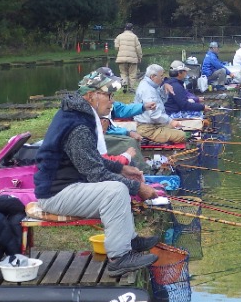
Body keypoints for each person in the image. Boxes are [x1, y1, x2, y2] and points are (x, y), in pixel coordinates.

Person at [32, 70, 160, 274]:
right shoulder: (79, 126)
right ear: (91, 96)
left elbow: (90, 159)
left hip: (68, 186)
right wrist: (139, 188)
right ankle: (119, 258)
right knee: (115, 191)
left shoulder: (78, 115)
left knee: (117, 185)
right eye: (108, 95)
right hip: (55, 194)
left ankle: (129, 240)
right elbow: (96, 174)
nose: (112, 101)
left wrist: (121, 168)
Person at [134, 64, 188, 144]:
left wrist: (163, 89)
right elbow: (155, 115)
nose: (163, 79)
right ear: (153, 76)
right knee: (183, 135)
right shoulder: (148, 91)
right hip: (148, 129)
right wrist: (171, 121)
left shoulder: (150, 84)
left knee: (177, 128)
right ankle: (149, 140)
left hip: (155, 124)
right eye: (161, 76)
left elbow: (162, 101)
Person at [114, 23, 143, 88]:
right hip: (133, 59)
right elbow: (138, 48)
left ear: (124, 29)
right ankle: (131, 88)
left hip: (121, 59)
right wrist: (140, 57)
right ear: (132, 29)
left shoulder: (119, 36)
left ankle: (124, 83)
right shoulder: (134, 37)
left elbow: (116, 47)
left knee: (123, 73)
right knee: (132, 74)